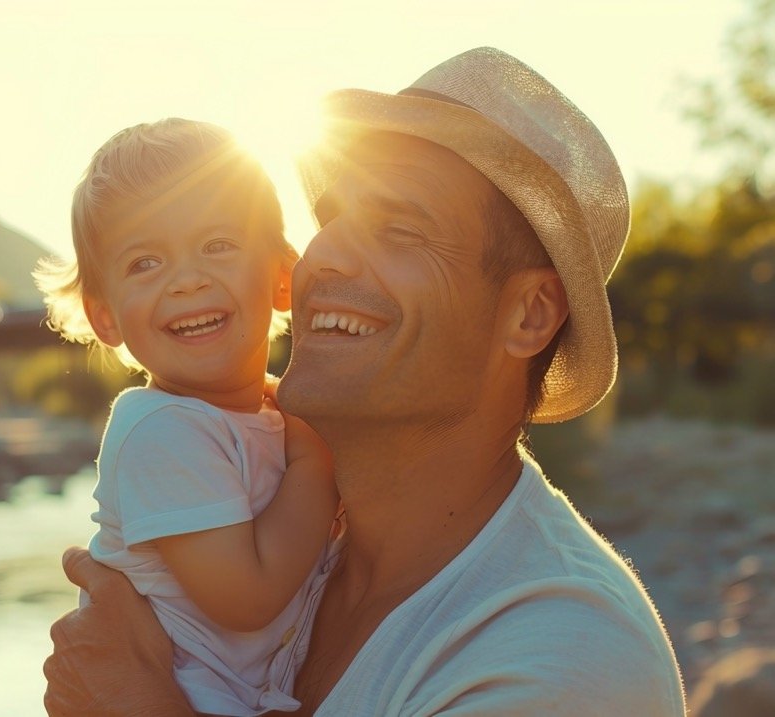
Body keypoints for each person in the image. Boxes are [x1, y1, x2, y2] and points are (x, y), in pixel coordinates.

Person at [43, 47, 687, 716]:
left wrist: (137, 703)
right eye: (331, 219)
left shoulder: (566, 659)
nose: (324, 257)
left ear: (528, 314)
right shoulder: (308, 539)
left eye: (401, 229)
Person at [33, 118, 341, 716]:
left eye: (217, 245)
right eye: (145, 263)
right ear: (106, 319)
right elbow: (249, 598)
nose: (186, 279)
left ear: (281, 276)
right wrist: (316, 456)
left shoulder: (268, 413)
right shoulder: (160, 430)